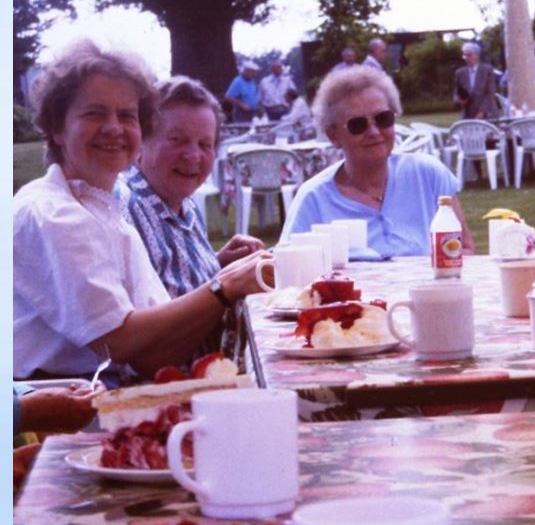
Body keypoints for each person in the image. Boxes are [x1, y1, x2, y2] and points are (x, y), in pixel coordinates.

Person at [13, 40, 270, 387]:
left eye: (127, 116)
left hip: (122, 392)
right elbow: (115, 342)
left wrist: (229, 275)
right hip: (70, 413)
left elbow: (155, 352)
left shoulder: (104, 206)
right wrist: (225, 286)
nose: (113, 128)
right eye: (94, 113)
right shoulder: (53, 213)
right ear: (57, 127)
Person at [118, 75, 266, 360]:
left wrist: (217, 263)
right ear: (141, 141)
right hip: (171, 382)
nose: (193, 155)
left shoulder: (184, 203)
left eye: (205, 144)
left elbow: (171, 281)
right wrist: (227, 283)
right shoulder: (127, 209)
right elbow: (144, 346)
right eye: (177, 140)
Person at [281, 66, 475, 256]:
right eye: (357, 125)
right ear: (333, 136)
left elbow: (463, 249)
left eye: (383, 118)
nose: (373, 132)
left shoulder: (428, 174)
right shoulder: (314, 198)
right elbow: (288, 269)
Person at [454, 42, 499, 120]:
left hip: (488, 114)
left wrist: (481, 112)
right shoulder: (460, 73)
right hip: (468, 115)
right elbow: (456, 93)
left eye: (469, 55)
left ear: (477, 55)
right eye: (464, 55)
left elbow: (490, 93)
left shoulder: (487, 70)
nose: (466, 58)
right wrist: (459, 100)